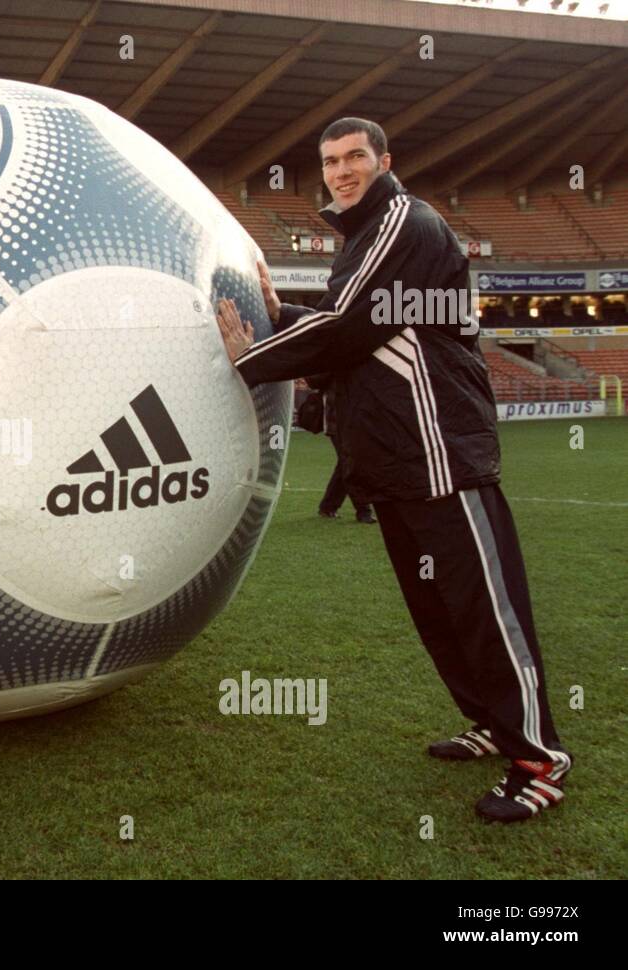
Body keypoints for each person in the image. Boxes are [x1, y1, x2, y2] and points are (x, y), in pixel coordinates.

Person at [214, 117, 571, 823]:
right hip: (398, 466)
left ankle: (539, 758)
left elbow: (349, 326)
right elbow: (361, 336)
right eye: (329, 161)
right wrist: (284, 314)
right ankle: (492, 726)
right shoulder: (364, 239)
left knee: (486, 615)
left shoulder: (405, 221)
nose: (341, 171)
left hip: (444, 459)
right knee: (439, 615)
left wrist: (253, 354)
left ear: (384, 161)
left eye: (354, 157)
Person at [310, 377, 375, 523]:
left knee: (345, 464)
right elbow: (313, 381)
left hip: (353, 418)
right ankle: (363, 509)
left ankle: (328, 506)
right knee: (350, 463)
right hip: (337, 421)